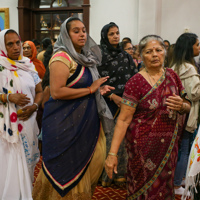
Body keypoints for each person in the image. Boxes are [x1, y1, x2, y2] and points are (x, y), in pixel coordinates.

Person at [32, 17, 114, 199]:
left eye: (83, 30)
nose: (82, 34)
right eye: (76, 31)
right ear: (66, 35)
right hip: (65, 125)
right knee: (66, 170)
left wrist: (98, 90)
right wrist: (90, 89)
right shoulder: (61, 57)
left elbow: (79, 87)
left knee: (91, 167)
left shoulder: (84, 57)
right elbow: (57, 91)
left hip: (87, 122)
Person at [105, 35, 191, 199]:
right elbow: (123, 120)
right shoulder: (135, 82)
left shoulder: (172, 76)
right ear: (140, 55)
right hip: (142, 148)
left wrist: (182, 105)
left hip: (168, 148)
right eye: (149, 51)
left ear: (165, 53)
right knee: (142, 189)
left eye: (158, 50)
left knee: (165, 189)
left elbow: (187, 105)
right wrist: (112, 154)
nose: (154, 55)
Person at [0, 29, 43, 199]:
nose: (16, 47)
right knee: (8, 168)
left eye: (17, 42)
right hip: (7, 130)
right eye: (10, 44)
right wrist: (9, 97)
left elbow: (39, 91)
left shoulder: (28, 65)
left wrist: (34, 106)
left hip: (28, 122)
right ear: (3, 46)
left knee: (27, 166)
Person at [97, 22, 138, 187]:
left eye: (117, 33)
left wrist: (128, 100)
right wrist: (113, 96)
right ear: (105, 37)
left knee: (123, 139)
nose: (115, 36)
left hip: (126, 103)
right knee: (108, 138)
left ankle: (121, 174)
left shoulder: (125, 55)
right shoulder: (99, 55)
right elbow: (96, 81)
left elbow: (134, 79)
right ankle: (106, 175)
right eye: (111, 34)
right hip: (106, 101)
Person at [169, 32, 200, 196]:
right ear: (190, 48)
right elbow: (195, 93)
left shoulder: (176, 65)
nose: (199, 47)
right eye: (197, 44)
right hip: (186, 113)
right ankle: (176, 184)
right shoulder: (188, 68)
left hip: (178, 112)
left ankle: (178, 179)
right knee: (185, 149)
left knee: (179, 148)